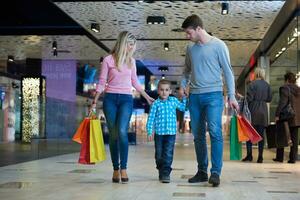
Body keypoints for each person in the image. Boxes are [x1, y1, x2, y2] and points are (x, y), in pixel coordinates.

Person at [179, 14, 239, 187]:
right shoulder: (190, 48)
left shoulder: (219, 45)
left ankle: (215, 173)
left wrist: (232, 96)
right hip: (195, 96)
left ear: (198, 29)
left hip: (214, 95)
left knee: (214, 131)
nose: (187, 36)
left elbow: (228, 72)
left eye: (188, 32)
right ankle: (202, 171)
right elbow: (186, 71)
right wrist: (183, 86)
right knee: (198, 135)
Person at [90, 31, 154, 183]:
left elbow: (135, 82)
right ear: (122, 43)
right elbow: (101, 81)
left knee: (121, 131)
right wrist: (94, 101)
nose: (131, 47)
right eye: (129, 44)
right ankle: (115, 169)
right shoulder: (108, 60)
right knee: (113, 134)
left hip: (126, 99)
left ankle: (124, 168)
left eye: (133, 45)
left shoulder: (131, 62)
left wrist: (146, 96)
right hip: (110, 99)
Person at [146, 79, 187, 183]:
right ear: (158, 91)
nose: (164, 92)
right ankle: (161, 168)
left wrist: (184, 98)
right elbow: (151, 118)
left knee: (168, 153)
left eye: (166, 90)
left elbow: (183, 108)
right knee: (159, 154)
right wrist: (150, 131)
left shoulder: (173, 101)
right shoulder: (155, 104)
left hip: (171, 134)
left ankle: (165, 173)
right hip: (159, 134)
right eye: (162, 90)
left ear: (170, 91)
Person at [241, 68, 272, 163]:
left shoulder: (252, 84)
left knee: (250, 133)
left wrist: (244, 98)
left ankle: (249, 155)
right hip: (263, 110)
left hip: (253, 110)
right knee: (261, 135)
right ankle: (260, 157)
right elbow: (269, 99)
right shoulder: (267, 85)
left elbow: (249, 98)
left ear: (256, 74)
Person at [273, 72, 300, 164]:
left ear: (287, 80)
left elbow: (282, 103)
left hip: (287, 116)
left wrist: (277, 114)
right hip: (297, 118)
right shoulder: (298, 89)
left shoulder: (285, 88)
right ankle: (293, 158)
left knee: (282, 135)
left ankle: (279, 157)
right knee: (295, 138)